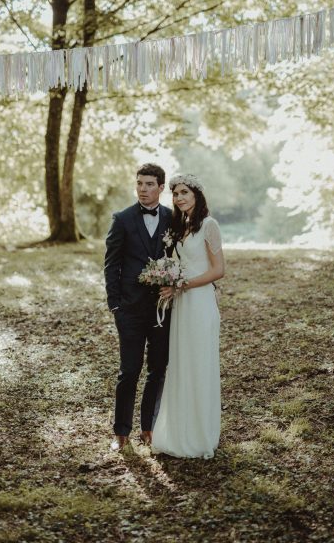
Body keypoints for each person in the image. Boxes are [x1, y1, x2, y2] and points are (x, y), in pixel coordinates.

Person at [151, 173, 225, 459]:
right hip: (182, 305)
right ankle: (180, 431)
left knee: (199, 363)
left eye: (184, 192)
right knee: (181, 363)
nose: (180, 198)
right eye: (176, 194)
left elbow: (219, 270)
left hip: (200, 302)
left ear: (197, 194)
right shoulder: (180, 227)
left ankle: (200, 433)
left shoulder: (209, 225)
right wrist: (171, 282)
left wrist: (183, 284)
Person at [104, 163, 173, 451]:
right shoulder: (122, 219)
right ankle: (121, 432)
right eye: (139, 184)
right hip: (129, 309)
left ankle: (149, 428)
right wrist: (115, 305)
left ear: (160, 187)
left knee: (157, 369)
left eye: (148, 184)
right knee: (129, 370)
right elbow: (112, 264)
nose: (142, 189)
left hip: (162, 308)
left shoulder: (173, 219)